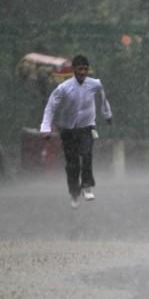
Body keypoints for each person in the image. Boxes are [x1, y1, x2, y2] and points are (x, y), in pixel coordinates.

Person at [40, 54, 113, 209]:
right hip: (68, 129)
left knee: (86, 154)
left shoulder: (95, 84)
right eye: (80, 69)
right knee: (72, 164)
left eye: (85, 69)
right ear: (74, 70)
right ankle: (74, 192)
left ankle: (87, 185)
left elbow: (103, 98)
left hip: (87, 127)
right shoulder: (64, 88)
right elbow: (51, 107)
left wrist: (107, 114)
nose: (82, 72)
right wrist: (45, 128)